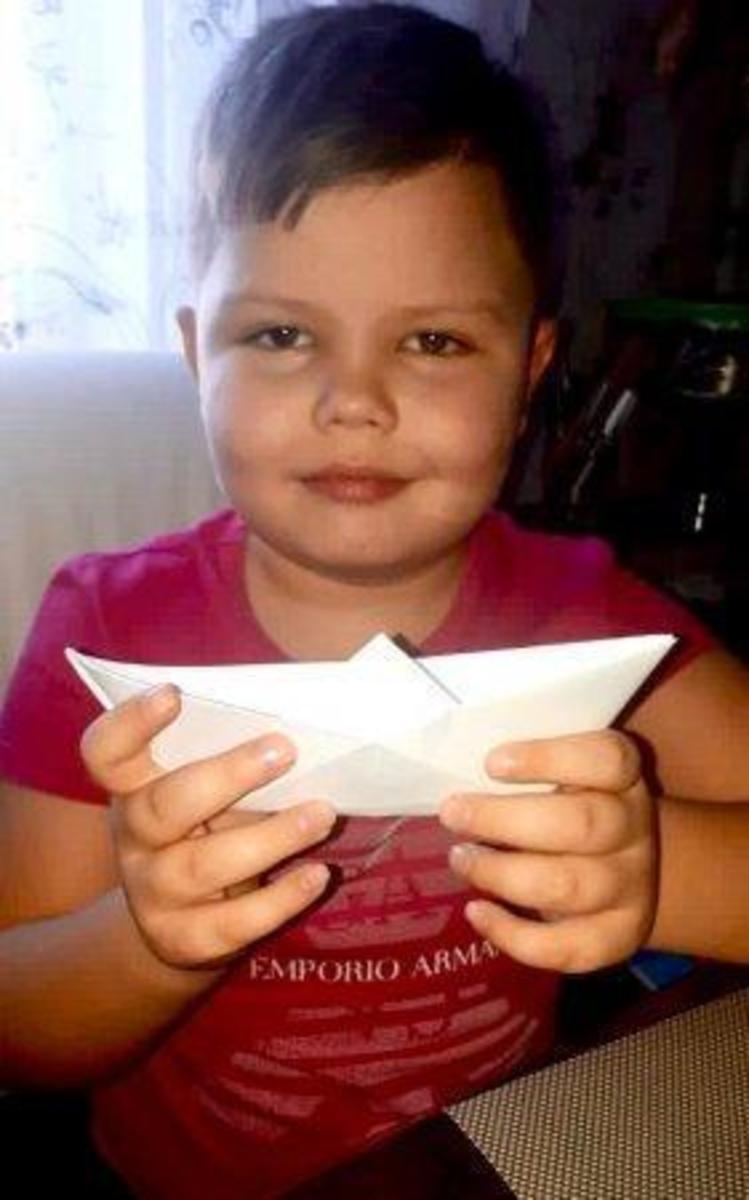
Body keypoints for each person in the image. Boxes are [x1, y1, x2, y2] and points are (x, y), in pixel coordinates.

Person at [1, 5, 748, 1198]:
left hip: (490, 1165)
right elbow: (19, 1027)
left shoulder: (585, 613)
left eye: (434, 343)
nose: (355, 401)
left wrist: (653, 872)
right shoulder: (103, 630)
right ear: (197, 354)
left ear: (530, 369)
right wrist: (144, 940)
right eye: (280, 333)